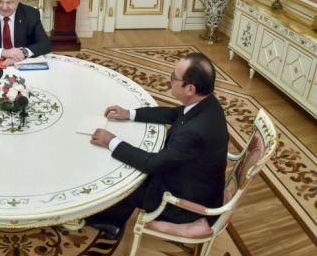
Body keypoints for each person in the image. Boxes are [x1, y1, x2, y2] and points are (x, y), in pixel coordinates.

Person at [88, 53, 228, 239]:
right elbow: (172, 114)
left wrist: (111, 141)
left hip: (185, 201)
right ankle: (114, 219)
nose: (169, 81)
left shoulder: (193, 131)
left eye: (174, 77)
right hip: (199, 183)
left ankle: (110, 222)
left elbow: (152, 164)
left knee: (124, 179)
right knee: (131, 161)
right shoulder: (208, 104)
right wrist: (128, 113)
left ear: (190, 89)